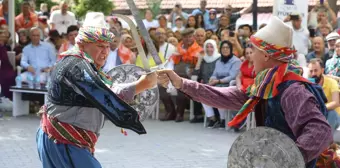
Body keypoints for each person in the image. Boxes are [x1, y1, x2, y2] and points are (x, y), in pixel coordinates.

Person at [157, 16, 332, 167]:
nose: (249, 56)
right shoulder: (266, 84)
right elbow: (225, 96)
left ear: (265, 55)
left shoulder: (292, 90)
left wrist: (285, 159)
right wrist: (181, 83)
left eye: (253, 50)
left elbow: (320, 131)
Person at [36, 12, 157, 168]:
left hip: (63, 141)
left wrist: (148, 81)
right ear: (82, 44)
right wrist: (143, 84)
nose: (105, 51)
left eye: (107, 46)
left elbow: (107, 86)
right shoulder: (75, 65)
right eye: (100, 46)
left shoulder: (84, 64)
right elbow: (103, 94)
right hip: (63, 142)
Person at [308, 58, 340, 133]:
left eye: (316, 70)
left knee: (331, 113)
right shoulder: (308, 84)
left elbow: (336, 102)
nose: (313, 74)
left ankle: (327, 141)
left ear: (322, 70)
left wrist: (320, 108)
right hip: (319, 116)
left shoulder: (332, 82)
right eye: (311, 71)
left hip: (334, 117)